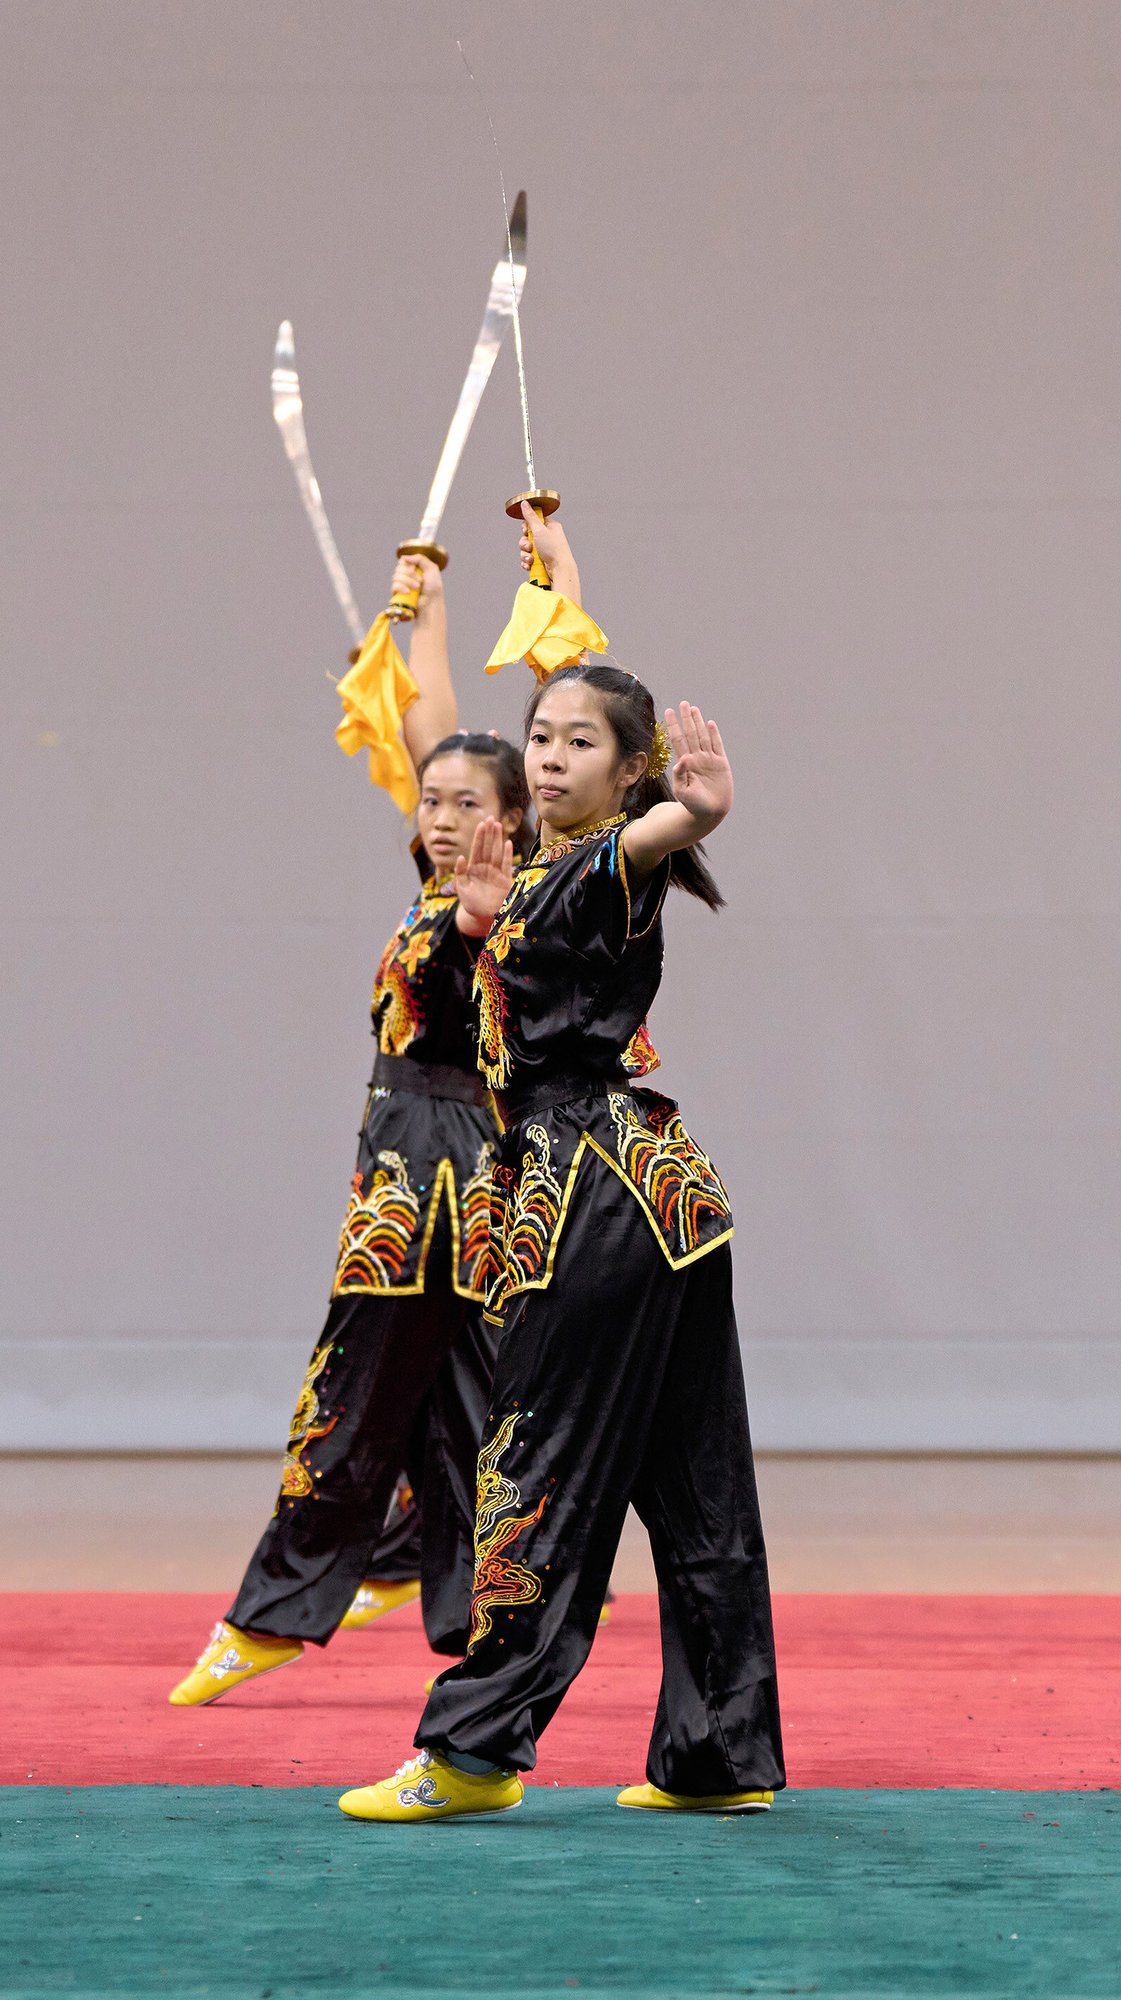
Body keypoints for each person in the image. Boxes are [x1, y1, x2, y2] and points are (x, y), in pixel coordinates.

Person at [339, 509, 784, 1817]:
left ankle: (473, 1754)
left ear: (629, 771)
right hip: (662, 1195)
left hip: (582, 1195)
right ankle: (718, 1760)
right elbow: (449, 732)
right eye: (537, 739)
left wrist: (687, 810)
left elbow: (644, 838)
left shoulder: (601, 865)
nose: (543, 752)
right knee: (694, 1478)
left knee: (532, 1456)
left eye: (576, 743)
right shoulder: (521, 859)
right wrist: (447, 603)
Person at [169, 553, 530, 1704]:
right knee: (447, 1397)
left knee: (359, 1378)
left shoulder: (517, 898)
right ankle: (449, 1600)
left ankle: (278, 1606)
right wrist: (424, 613)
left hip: (443, 1172)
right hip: (418, 1161)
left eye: (468, 805)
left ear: (515, 819)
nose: (438, 815)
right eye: (431, 802)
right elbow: (436, 734)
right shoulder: (446, 877)